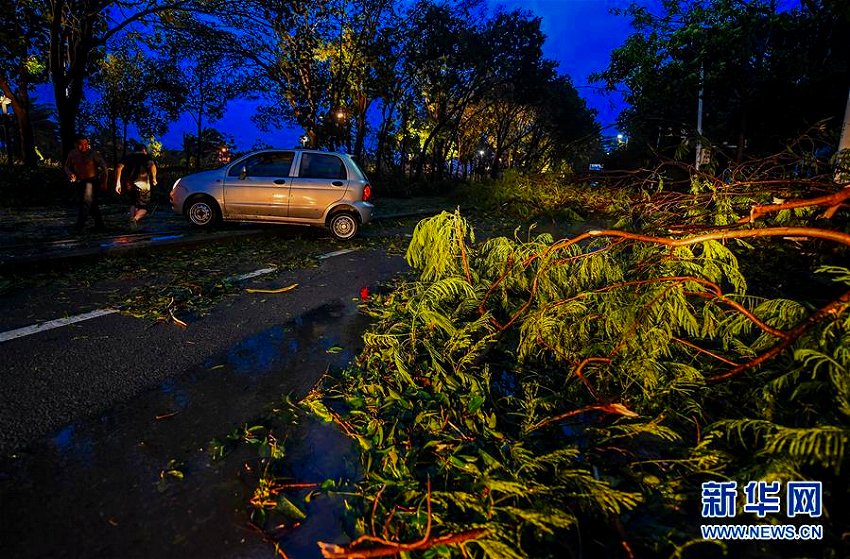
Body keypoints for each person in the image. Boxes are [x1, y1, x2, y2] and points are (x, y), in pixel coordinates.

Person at [64, 135, 108, 233]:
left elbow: (104, 167)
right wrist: (70, 174)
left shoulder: (93, 154)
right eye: (81, 144)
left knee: (86, 203)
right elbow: (66, 166)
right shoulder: (72, 153)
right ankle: (100, 225)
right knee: (91, 204)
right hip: (80, 182)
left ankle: (79, 227)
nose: (84, 146)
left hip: (92, 181)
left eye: (86, 144)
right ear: (75, 144)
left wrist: (104, 182)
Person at [115, 142, 158, 228]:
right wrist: (154, 178)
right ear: (144, 150)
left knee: (133, 203)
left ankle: (132, 219)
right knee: (145, 207)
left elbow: (119, 167)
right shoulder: (146, 157)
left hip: (129, 184)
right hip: (143, 184)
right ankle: (134, 219)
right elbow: (152, 166)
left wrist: (118, 182)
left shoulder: (128, 157)